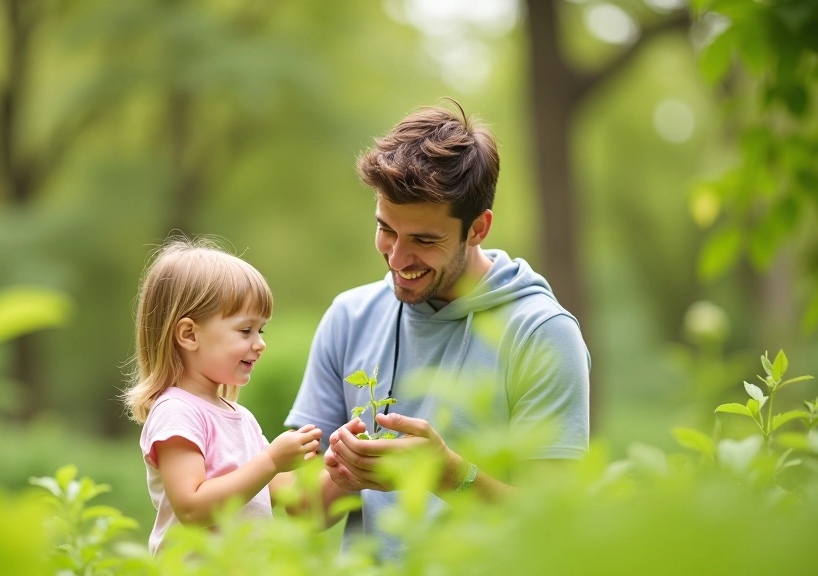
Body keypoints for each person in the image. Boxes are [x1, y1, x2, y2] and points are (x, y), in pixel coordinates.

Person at [284, 100, 590, 560]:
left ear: (478, 229)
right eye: (386, 230)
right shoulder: (349, 318)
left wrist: (449, 476)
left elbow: (556, 529)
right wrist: (342, 478)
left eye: (425, 241)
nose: (397, 259)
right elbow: (295, 509)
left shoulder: (542, 335)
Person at [123, 237, 322, 556]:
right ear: (189, 334)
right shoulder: (177, 412)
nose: (260, 344)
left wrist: (337, 460)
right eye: (246, 331)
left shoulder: (241, 417)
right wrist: (271, 461)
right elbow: (191, 508)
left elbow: (286, 493)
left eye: (261, 331)